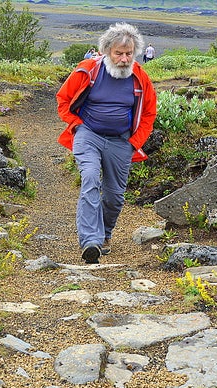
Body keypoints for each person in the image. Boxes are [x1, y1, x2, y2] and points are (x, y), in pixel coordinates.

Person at [56, 22, 157, 264]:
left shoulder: (140, 78)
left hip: (121, 141)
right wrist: (77, 126)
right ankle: (90, 241)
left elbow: (149, 114)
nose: (124, 59)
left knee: (114, 196)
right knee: (90, 177)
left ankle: (105, 235)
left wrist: (134, 143)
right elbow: (63, 100)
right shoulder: (87, 70)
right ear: (106, 52)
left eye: (129, 53)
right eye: (118, 53)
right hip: (88, 134)